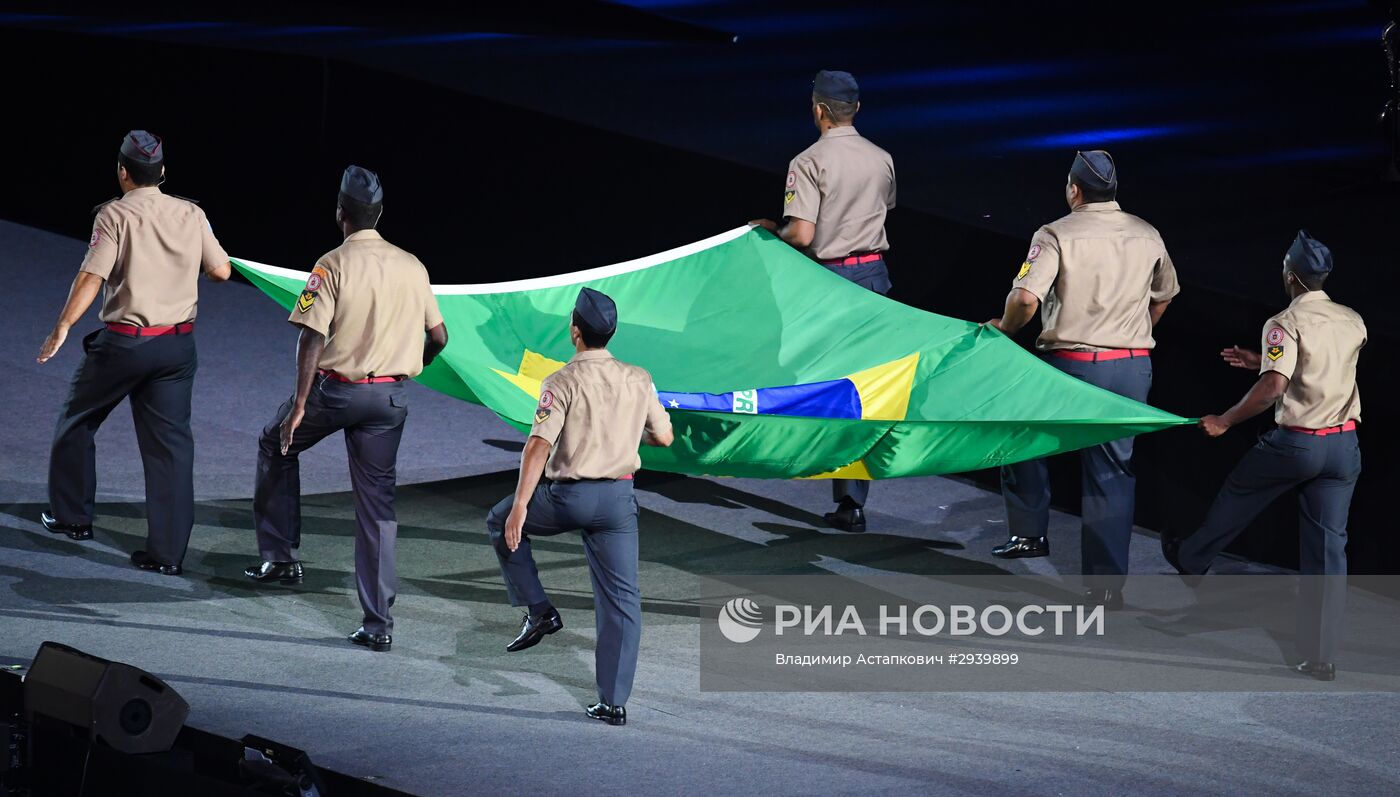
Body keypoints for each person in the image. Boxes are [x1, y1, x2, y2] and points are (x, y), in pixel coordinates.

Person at [244, 166, 448, 653]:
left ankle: (280, 556)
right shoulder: (413, 266)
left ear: (340, 213)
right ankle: (378, 625)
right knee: (377, 510)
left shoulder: (331, 264)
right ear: (380, 213)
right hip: (390, 401)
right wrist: (412, 365)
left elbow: (311, 335)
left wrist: (299, 404)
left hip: (336, 393)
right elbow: (440, 336)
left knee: (276, 442)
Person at [1162, 231, 1363, 681]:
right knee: (1328, 551)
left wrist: (1225, 419)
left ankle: (1191, 557)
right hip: (1343, 447)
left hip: (1298, 444)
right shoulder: (1353, 319)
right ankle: (1320, 657)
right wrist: (1265, 360)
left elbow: (1274, 387)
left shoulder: (1284, 322)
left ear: (1291, 276)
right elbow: (1324, 365)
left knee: (1240, 490)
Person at [984, 150, 1179, 607]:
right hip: (1131, 368)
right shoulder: (1147, 233)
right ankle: (1106, 585)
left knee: (1018, 433)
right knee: (1112, 471)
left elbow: (1026, 299)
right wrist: (1134, 333)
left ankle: (1029, 533)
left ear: (1074, 190)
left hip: (1070, 366)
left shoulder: (1056, 233)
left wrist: (1005, 329)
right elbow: (1164, 295)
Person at [37, 130, 232, 575]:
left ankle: (72, 518)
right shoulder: (192, 213)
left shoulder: (114, 215)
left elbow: (91, 276)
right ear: (162, 172)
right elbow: (221, 271)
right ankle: (167, 556)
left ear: (123, 172)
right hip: (177, 347)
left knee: (77, 419)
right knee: (171, 449)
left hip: (125, 344)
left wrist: (62, 327)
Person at [485, 287, 674, 726]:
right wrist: (629, 433)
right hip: (618, 502)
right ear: (612, 333)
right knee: (622, 601)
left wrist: (520, 506)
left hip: (567, 499)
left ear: (575, 332)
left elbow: (538, 445)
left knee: (499, 521)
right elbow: (663, 437)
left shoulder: (561, 381)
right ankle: (613, 702)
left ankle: (540, 611)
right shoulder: (639, 378)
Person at [749, 68, 896, 534]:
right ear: (857, 109)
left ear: (818, 110)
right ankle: (852, 500)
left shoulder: (808, 162)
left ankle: (791, 457)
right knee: (863, 389)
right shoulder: (882, 159)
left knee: (815, 381)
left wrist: (770, 230)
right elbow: (880, 210)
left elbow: (803, 233)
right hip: (874, 280)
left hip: (829, 282)